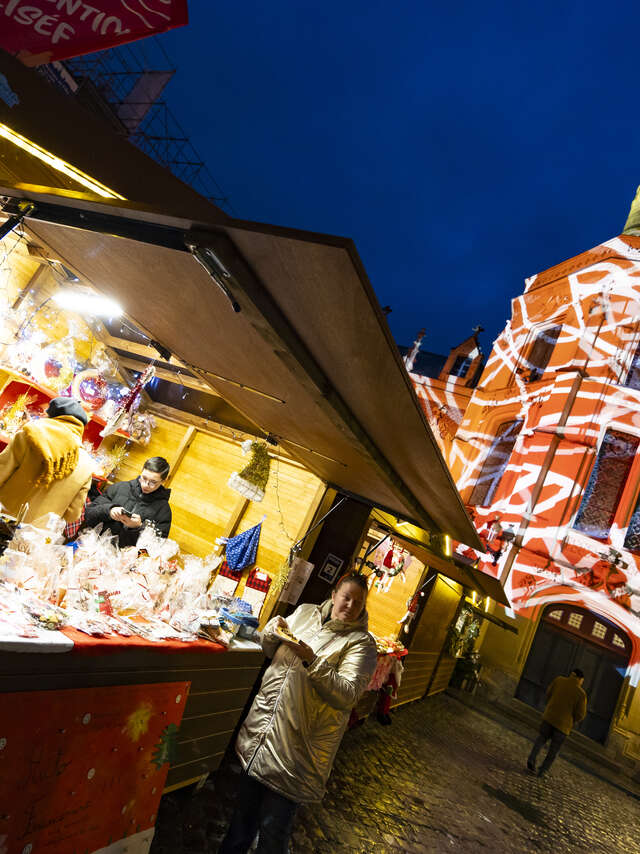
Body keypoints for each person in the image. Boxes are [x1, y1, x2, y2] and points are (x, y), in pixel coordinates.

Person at [219, 571, 378, 854]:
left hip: (297, 754)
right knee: (240, 822)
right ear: (334, 596)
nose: (351, 606)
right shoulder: (304, 613)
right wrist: (271, 630)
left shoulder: (361, 644)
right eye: (347, 597)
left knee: (272, 834)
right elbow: (270, 649)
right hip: (261, 735)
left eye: (358, 602)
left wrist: (311, 660)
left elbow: (347, 695)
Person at [0, 396, 93, 525]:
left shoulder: (29, 436)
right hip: (34, 538)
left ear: (53, 416)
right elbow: (72, 515)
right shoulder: (87, 465)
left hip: (4, 521)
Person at [83, 456, 172, 547]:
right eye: (144, 478)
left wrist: (139, 527)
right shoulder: (119, 487)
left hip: (125, 559)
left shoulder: (164, 511)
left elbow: (155, 548)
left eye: (153, 482)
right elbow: (88, 515)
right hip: (93, 546)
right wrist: (109, 511)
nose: (145, 485)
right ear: (141, 472)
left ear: (163, 481)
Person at [527, 667, 587, 777]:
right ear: (580, 679)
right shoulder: (581, 693)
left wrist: (550, 706)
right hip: (563, 726)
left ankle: (531, 758)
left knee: (541, 739)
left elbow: (548, 693)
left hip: (549, 717)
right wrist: (573, 720)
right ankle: (543, 770)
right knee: (553, 750)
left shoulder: (559, 680)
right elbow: (580, 714)